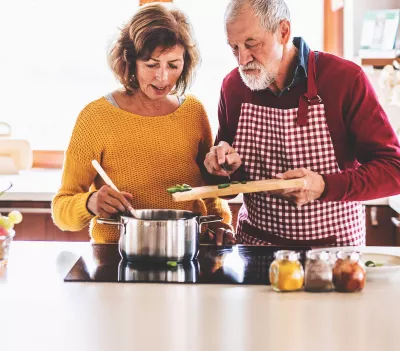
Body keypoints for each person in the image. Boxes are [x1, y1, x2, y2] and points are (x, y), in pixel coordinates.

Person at [204, 0, 400, 246]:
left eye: (251, 44)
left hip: (333, 253)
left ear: (283, 32)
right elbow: (229, 188)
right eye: (234, 48)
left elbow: (393, 170)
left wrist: (324, 186)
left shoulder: (344, 79)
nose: (242, 59)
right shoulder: (233, 87)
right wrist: (224, 170)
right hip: (255, 249)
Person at [52, 3, 233, 244]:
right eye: (151, 65)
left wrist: (220, 224)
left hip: (187, 250)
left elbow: (209, 192)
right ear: (130, 61)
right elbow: (62, 210)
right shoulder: (95, 118)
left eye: (173, 65)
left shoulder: (193, 112)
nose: (163, 77)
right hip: (117, 258)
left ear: (185, 64)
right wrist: (89, 203)